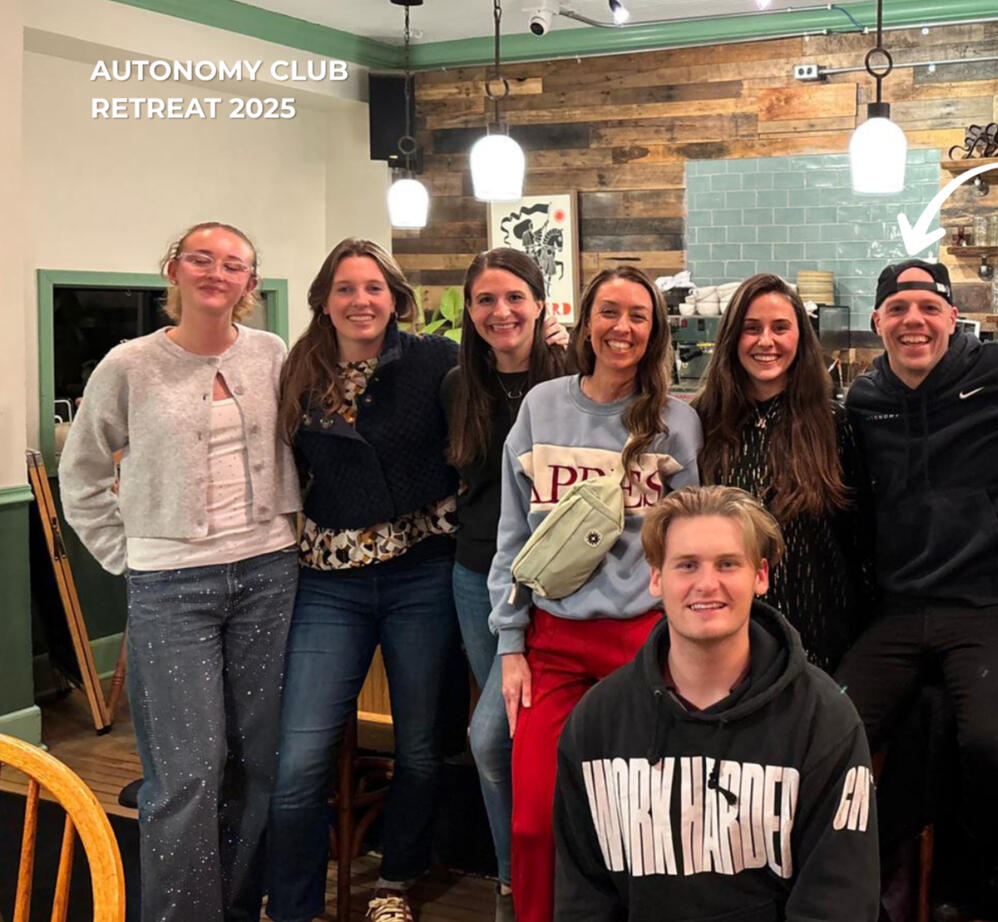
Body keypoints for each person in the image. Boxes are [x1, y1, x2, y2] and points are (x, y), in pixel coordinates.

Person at [59, 221, 300, 922]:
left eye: (233, 264)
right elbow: (82, 474)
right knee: (186, 773)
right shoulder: (129, 365)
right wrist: (127, 557)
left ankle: (237, 905)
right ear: (174, 269)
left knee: (257, 762)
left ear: (250, 283)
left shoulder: (271, 353)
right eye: (202, 258)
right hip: (172, 589)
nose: (216, 273)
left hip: (268, 574)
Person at [836, 257, 998, 918]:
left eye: (929, 307)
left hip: (995, 604)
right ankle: (862, 882)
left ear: (953, 318)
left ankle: (969, 880)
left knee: (997, 746)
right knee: (830, 732)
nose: (915, 321)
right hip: (900, 609)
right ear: (877, 321)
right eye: (898, 309)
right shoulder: (865, 401)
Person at [553, 485, 879, 921]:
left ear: (760, 576)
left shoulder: (824, 720)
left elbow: (837, 902)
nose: (707, 584)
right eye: (687, 565)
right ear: (656, 578)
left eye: (727, 563)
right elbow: (583, 899)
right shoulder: (596, 723)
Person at [489, 266, 703, 922]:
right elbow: (513, 533)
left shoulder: (675, 423)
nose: (622, 327)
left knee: (642, 819)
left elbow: (689, 543)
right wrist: (511, 644)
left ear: (654, 331)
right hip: (552, 639)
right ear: (586, 324)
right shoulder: (542, 407)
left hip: (642, 641)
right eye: (609, 312)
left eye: (638, 315)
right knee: (533, 821)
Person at [267, 238, 462, 922]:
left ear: (395, 298)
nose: (361, 301)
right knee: (300, 755)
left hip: (422, 572)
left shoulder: (437, 358)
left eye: (374, 287)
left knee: (420, 745)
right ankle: (291, 905)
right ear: (324, 300)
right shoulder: (298, 369)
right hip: (329, 583)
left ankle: (395, 882)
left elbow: (501, 394)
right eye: (346, 288)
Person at [442, 247, 574, 922]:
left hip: (556, 582)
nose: (501, 312)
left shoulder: (572, 376)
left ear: (540, 303)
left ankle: (548, 877)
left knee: (495, 735)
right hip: (478, 577)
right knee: (508, 737)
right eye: (486, 300)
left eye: (515, 297)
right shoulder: (456, 384)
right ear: (469, 311)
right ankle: (513, 880)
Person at [692, 273, 871, 671]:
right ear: (732, 338)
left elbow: (859, 542)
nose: (766, 341)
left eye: (780, 328)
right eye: (751, 328)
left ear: (800, 338)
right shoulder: (700, 422)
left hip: (818, 638)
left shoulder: (834, 424)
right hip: (722, 638)